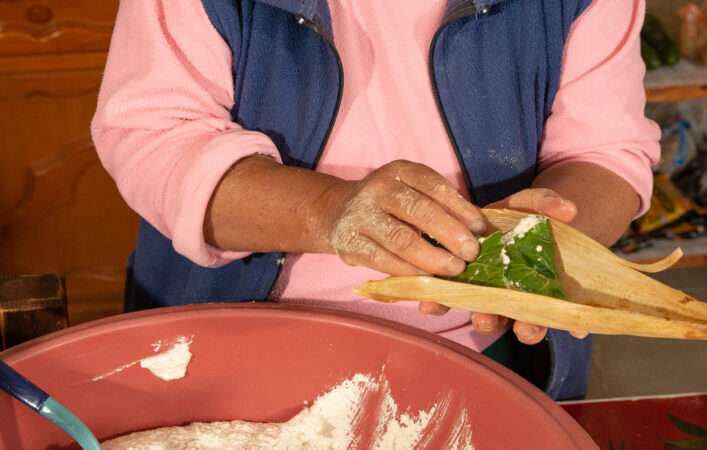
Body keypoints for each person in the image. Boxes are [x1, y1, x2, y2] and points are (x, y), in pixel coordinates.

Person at [92, 0, 660, 400]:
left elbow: (607, 152)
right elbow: (153, 135)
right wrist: (327, 211)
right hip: (230, 352)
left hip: (485, 353)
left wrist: (544, 239)